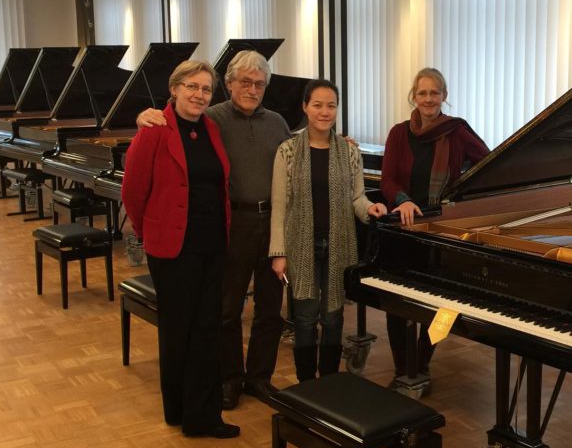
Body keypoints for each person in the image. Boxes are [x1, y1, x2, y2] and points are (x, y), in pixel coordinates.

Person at [135, 50, 291, 408]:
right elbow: (174, 120)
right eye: (245, 82)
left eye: (259, 83)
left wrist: (341, 144)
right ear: (230, 83)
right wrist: (144, 115)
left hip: (273, 224)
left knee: (270, 308)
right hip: (231, 223)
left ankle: (260, 378)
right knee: (227, 308)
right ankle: (229, 378)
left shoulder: (279, 123)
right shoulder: (211, 118)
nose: (252, 89)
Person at [121, 60, 239, 438]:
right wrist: (148, 232)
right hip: (172, 247)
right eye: (191, 86)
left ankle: (198, 415)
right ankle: (180, 410)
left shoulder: (212, 130)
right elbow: (133, 191)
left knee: (206, 329)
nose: (198, 95)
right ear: (174, 89)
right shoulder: (154, 129)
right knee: (177, 330)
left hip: (212, 243)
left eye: (206, 89)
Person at [268, 80, 387, 381]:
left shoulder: (349, 153)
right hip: (300, 246)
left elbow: (357, 198)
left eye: (331, 105)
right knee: (306, 319)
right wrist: (278, 253)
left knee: (334, 317)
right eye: (317, 105)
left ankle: (331, 383)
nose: (324, 112)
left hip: (339, 246)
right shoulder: (288, 151)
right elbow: (279, 207)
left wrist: (370, 209)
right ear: (305, 107)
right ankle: (307, 384)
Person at [380, 67, 490, 392]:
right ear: (413, 96)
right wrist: (402, 200)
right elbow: (388, 179)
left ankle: (423, 363)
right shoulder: (399, 133)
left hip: (442, 232)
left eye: (435, 93)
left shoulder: (457, 131)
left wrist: (458, 193)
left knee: (444, 305)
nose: (428, 99)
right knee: (396, 301)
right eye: (422, 93)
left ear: (444, 96)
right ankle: (403, 368)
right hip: (405, 226)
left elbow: (487, 163)